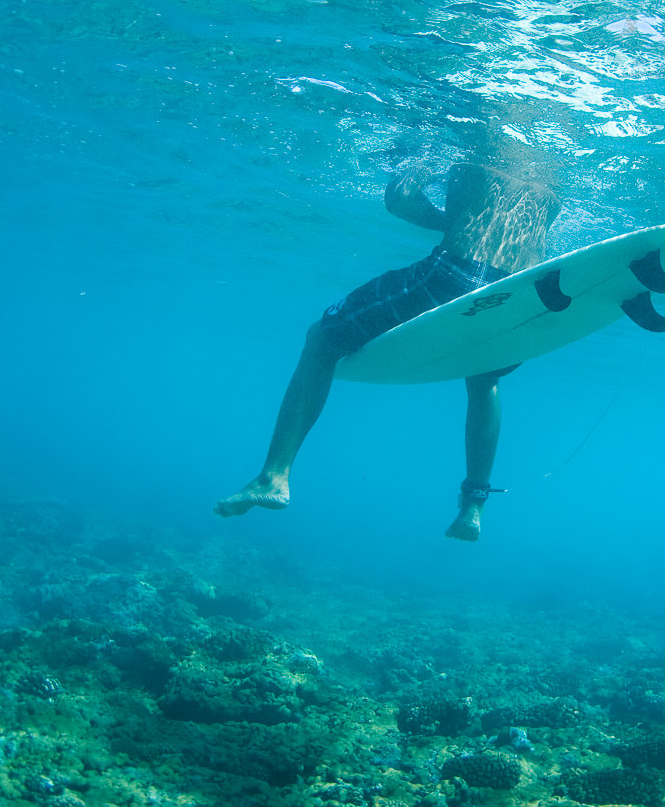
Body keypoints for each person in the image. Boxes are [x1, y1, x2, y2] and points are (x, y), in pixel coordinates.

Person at [214, 156, 559, 540]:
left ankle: (273, 476)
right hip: (522, 301)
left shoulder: (466, 135)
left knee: (322, 339)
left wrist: (447, 208)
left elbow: (401, 197)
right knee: (484, 382)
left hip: (454, 275)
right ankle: (473, 506)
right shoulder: (552, 177)